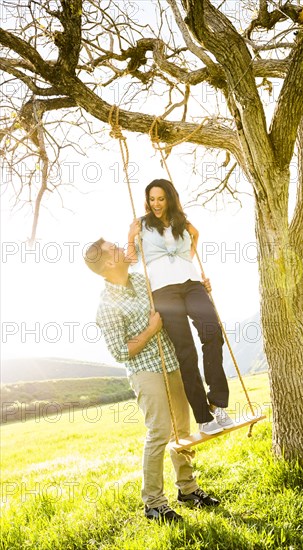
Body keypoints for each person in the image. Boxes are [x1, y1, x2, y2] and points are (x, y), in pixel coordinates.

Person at [84, 238, 220, 523]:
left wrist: (197, 292)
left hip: (173, 361)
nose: (122, 248)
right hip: (145, 371)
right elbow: (120, 351)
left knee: (182, 430)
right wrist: (149, 330)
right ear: (109, 263)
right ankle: (154, 503)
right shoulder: (106, 306)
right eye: (115, 248)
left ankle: (187, 489)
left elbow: (176, 298)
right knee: (159, 431)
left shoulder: (143, 280)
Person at [128, 179, 234, 436]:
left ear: (170, 199)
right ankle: (203, 416)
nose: (156, 204)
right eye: (152, 199)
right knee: (186, 351)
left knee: (212, 333)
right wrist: (131, 237)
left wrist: (188, 260)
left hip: (192, 283)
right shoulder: (141, 225)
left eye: (161, 199)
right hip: (163, 290)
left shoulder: (182, 221)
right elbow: (131, 260)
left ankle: (218, 402)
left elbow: (196, 235)